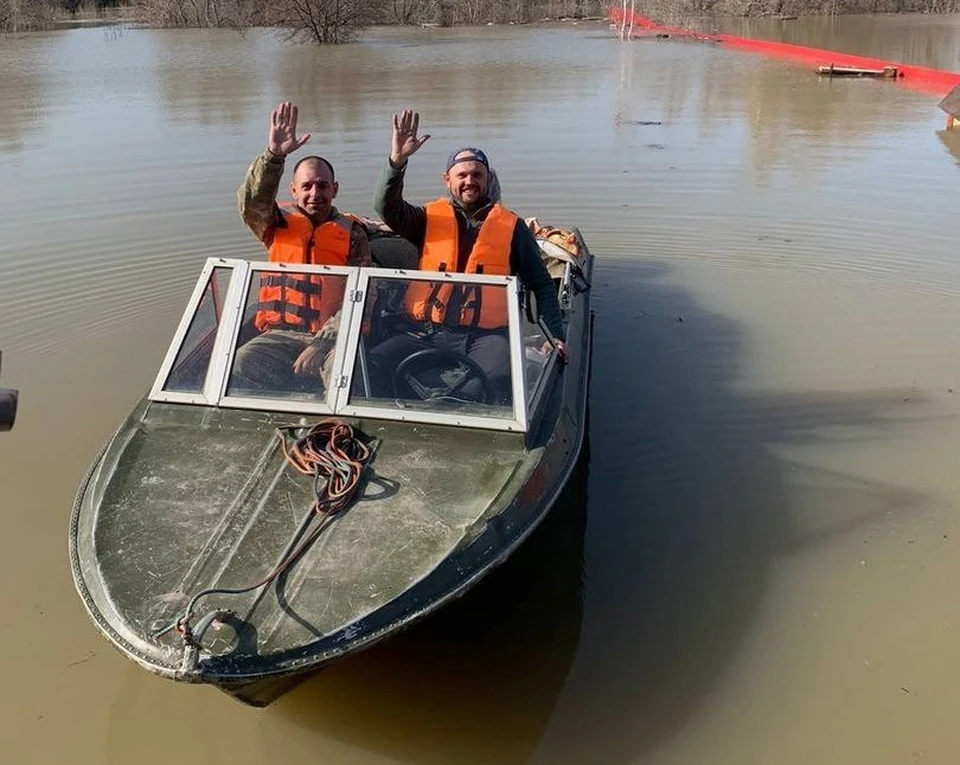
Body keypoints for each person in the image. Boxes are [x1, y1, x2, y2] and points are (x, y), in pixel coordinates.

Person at [368, 109, 567, 403]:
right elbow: (385, 207)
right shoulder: (425, 219)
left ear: (488, 179)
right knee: (371, 364)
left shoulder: (513, 227)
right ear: (447, 179)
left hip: (485, 336)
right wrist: (396, 163)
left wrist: (556, 335)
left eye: (477, 175)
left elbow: (541, 284)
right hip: (425, 330)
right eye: (462, 175)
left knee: (491, 379)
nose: (469, 181)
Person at [234, 101, 372, 392]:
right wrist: (274, 156)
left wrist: (322, 344)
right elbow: (252, 203)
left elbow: (363, 298)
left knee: (344, 376)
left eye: (322, 186)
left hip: (334, 336)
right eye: (307, 186)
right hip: (280, 333)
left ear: (334, 189)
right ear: (293, 190)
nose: (315, 193)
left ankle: (334, 427)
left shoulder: (354, 235)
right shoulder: (273, 223)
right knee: (242, 362)